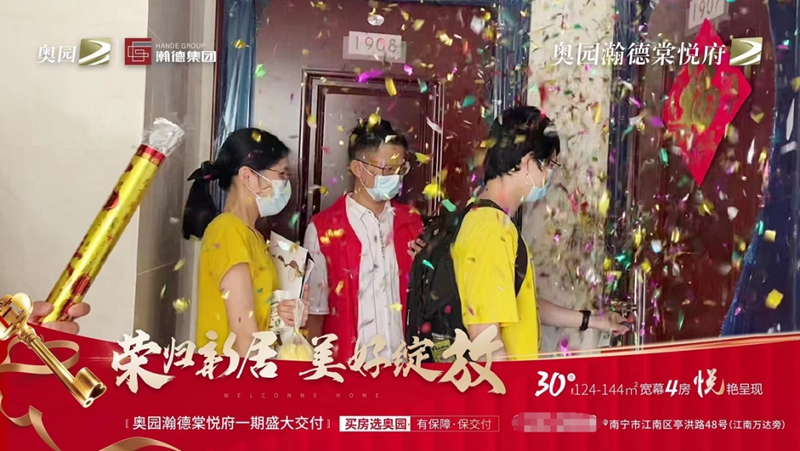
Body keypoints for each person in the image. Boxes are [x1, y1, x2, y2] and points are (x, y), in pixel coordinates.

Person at [451, 106, 629, 360]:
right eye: (548, 164)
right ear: (527, 161)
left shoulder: (489, 220)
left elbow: (522, 306)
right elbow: (484, 339)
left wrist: (595, 320)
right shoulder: (490, 230)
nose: (549, 175)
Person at [304, 119, 423, 362]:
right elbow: (315, 315)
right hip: (348, 371)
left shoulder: (411, 223)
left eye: (400, 169)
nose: (396, 177)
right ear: (358, 168)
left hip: (405, 369)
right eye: (387, 170)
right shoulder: (323, 230)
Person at [183, 128, 308, 356]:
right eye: (281, 174)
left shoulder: (253, 236)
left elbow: (254, 313)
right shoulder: (228, 231)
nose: (286, 184)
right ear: (248, 177)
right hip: (232, 374)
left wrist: (281, 314)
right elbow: (245, 338)